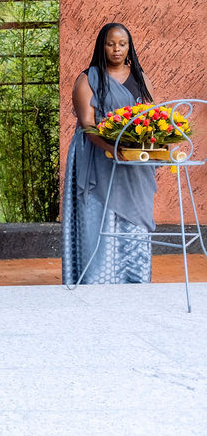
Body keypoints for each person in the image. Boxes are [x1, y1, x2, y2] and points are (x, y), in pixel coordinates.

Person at [62, 23, 156, 285]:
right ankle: (96, 280)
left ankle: (134, 279)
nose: (116, 49)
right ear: (101, 46)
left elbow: (151, 118)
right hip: (96, 156)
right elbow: (87, 124)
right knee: (99, 216)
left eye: (122, 44)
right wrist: (112, 148)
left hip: (132, 161)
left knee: (133, 219)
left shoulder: (140, 78)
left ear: (129, 47)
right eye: (111, 44)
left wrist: (146, 145)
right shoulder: (87, 79)